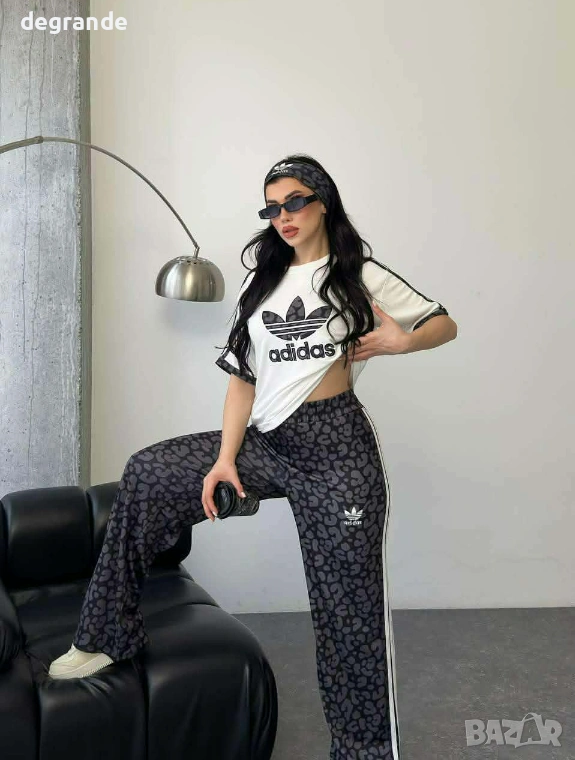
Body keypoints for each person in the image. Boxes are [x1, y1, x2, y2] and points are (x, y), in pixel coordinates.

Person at [48, 154, 456, 760]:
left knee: (348, 612)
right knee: (149, 472)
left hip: (337, 450)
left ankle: (362, 750)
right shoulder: (259, 282)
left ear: (322, 202)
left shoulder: (358, 273)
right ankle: (108, 633)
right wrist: (225, 459)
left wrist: (405, 339)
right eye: (271, 208)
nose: (283, 216)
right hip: (266, 441)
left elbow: (444, 324)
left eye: (294, 202)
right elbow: (242, 378)